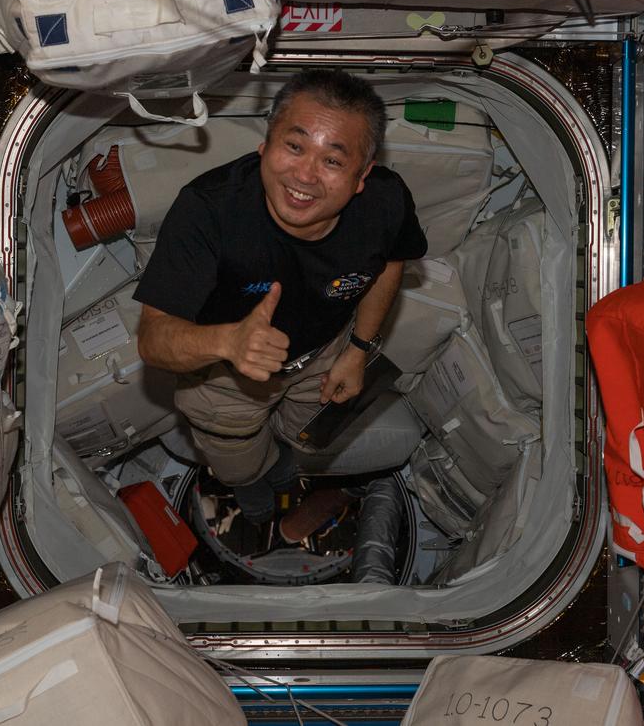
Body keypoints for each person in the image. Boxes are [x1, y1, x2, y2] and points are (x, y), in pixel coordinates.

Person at [134, 70, 427, 531]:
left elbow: (392, 261)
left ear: (360, 177)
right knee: (238, 460)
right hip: (222, 375)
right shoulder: (209, 211)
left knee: (305, 437)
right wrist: (230, 342)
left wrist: (358, 349)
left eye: (333, 160)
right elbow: (152, 337)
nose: (305, 176)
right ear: (265, 146)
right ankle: (252, 485)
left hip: (325, 353)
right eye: (294, 147)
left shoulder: (385, 204)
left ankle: (283, 465)